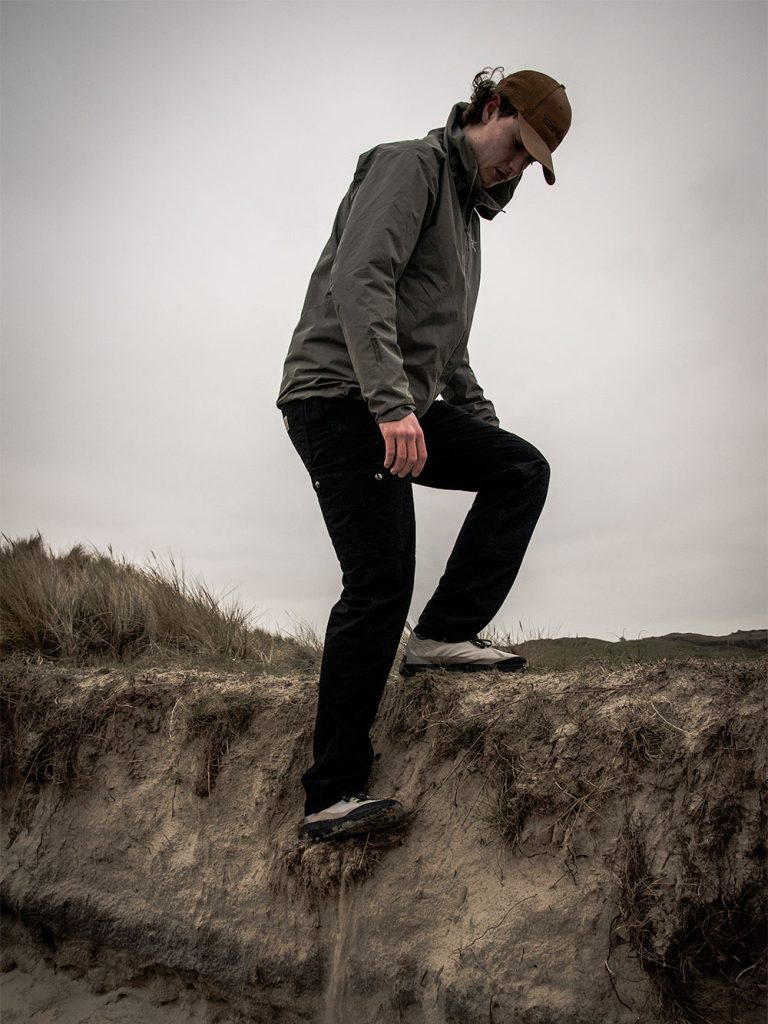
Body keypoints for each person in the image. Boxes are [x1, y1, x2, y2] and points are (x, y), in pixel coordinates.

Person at [277, 67, 572, 842]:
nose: (515, 167)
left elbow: (450, 346)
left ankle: (442, 636)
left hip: (395, 401)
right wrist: (389, 405)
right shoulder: (412, 166)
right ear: (492, 108)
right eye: (517, 145)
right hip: (338, 396)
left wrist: (484, 430)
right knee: (377, 582)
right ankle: (330, 793)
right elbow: (360, 276)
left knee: (521, 468)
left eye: (531, 162)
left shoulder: (468, 222)